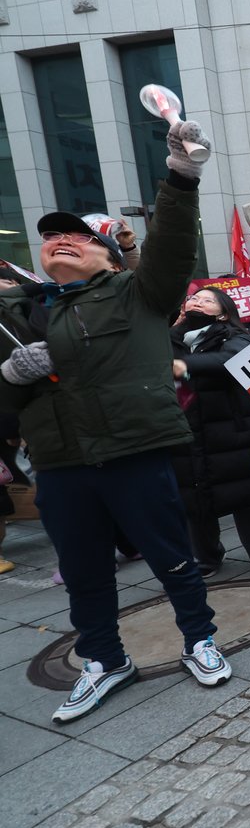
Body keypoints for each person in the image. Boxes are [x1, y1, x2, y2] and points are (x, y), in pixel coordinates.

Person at [0, 120, 233, 722]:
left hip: (134, 453)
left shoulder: (138, 293)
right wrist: (9, 376)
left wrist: (182, 175)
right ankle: (104, 660)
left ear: (109, 255)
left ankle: (199, 639)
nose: (60, 240)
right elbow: (4, 409)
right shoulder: (23, 314)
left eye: (76, 236)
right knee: (82, 572)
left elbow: (173, 243)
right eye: (49, 239)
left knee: (171, 555)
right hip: (60, 466)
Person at [170, 286, 250, 576]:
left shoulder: (235, 336)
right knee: (195, 498)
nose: (198, 302)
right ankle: (207, 557)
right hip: (186, 430)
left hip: (232, 431)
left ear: (223, 313)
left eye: (207, 300)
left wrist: (183, 364)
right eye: (194, 299)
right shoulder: (170, 339)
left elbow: (230, 362)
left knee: (244, 495)